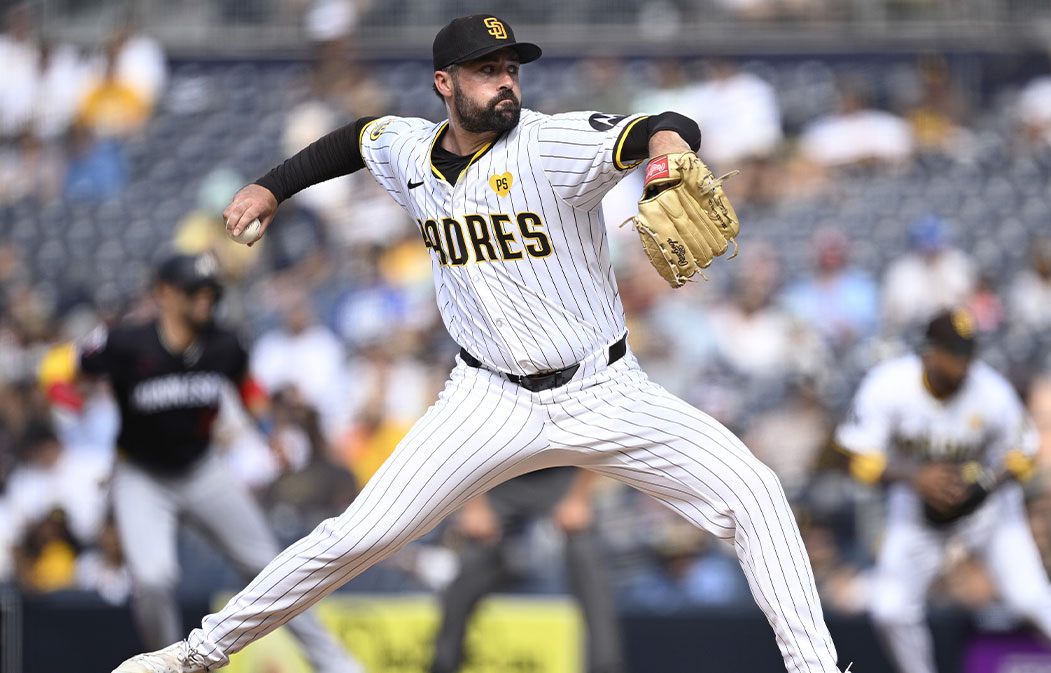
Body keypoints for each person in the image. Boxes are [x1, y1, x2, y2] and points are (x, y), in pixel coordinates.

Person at [113, 14, 841, 673]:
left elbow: (659, 122)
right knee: (351, 537)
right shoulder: (409, 151)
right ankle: (198, 653)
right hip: (486, 398)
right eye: (489, 70)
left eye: (512, 69)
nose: (505, 83)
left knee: (755, 491)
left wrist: (666, 152)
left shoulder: (549, 144)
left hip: (604, 388)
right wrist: (271, 188)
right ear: (445, 83)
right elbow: (356, 137)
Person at [75, 253, 360, 672]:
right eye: (195, 291)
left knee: (275, 571)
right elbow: (72, 371)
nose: (206, 299)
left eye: (211, 292)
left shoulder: (223, 343)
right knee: (153, 579)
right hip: (143, 475)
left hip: (203, 470)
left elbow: (247, 389)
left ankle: (337, 665)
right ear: (165, 294)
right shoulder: (127, 342)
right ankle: (167, 666)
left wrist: (272, 430)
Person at [835, 309, 1051, 673]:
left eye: (968, 351)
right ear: (930, 351)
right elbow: (850, 457)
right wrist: (914, 477)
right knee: (890, 610)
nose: (963, 361)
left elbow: (1024, 455)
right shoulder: (890, 385)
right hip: (917, 508)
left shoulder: (991, 391)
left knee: (1030, 599)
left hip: (989, 510)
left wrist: (983, 485)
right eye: (954, 352)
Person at [430, 468, 626, 673]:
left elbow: (590, 443)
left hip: (559, 474)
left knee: (586, 554)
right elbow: (466, 443)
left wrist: (579, 497)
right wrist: (474, 505)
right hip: (501, 475)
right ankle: (442, 665)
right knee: (473, 560)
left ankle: (607, 667)